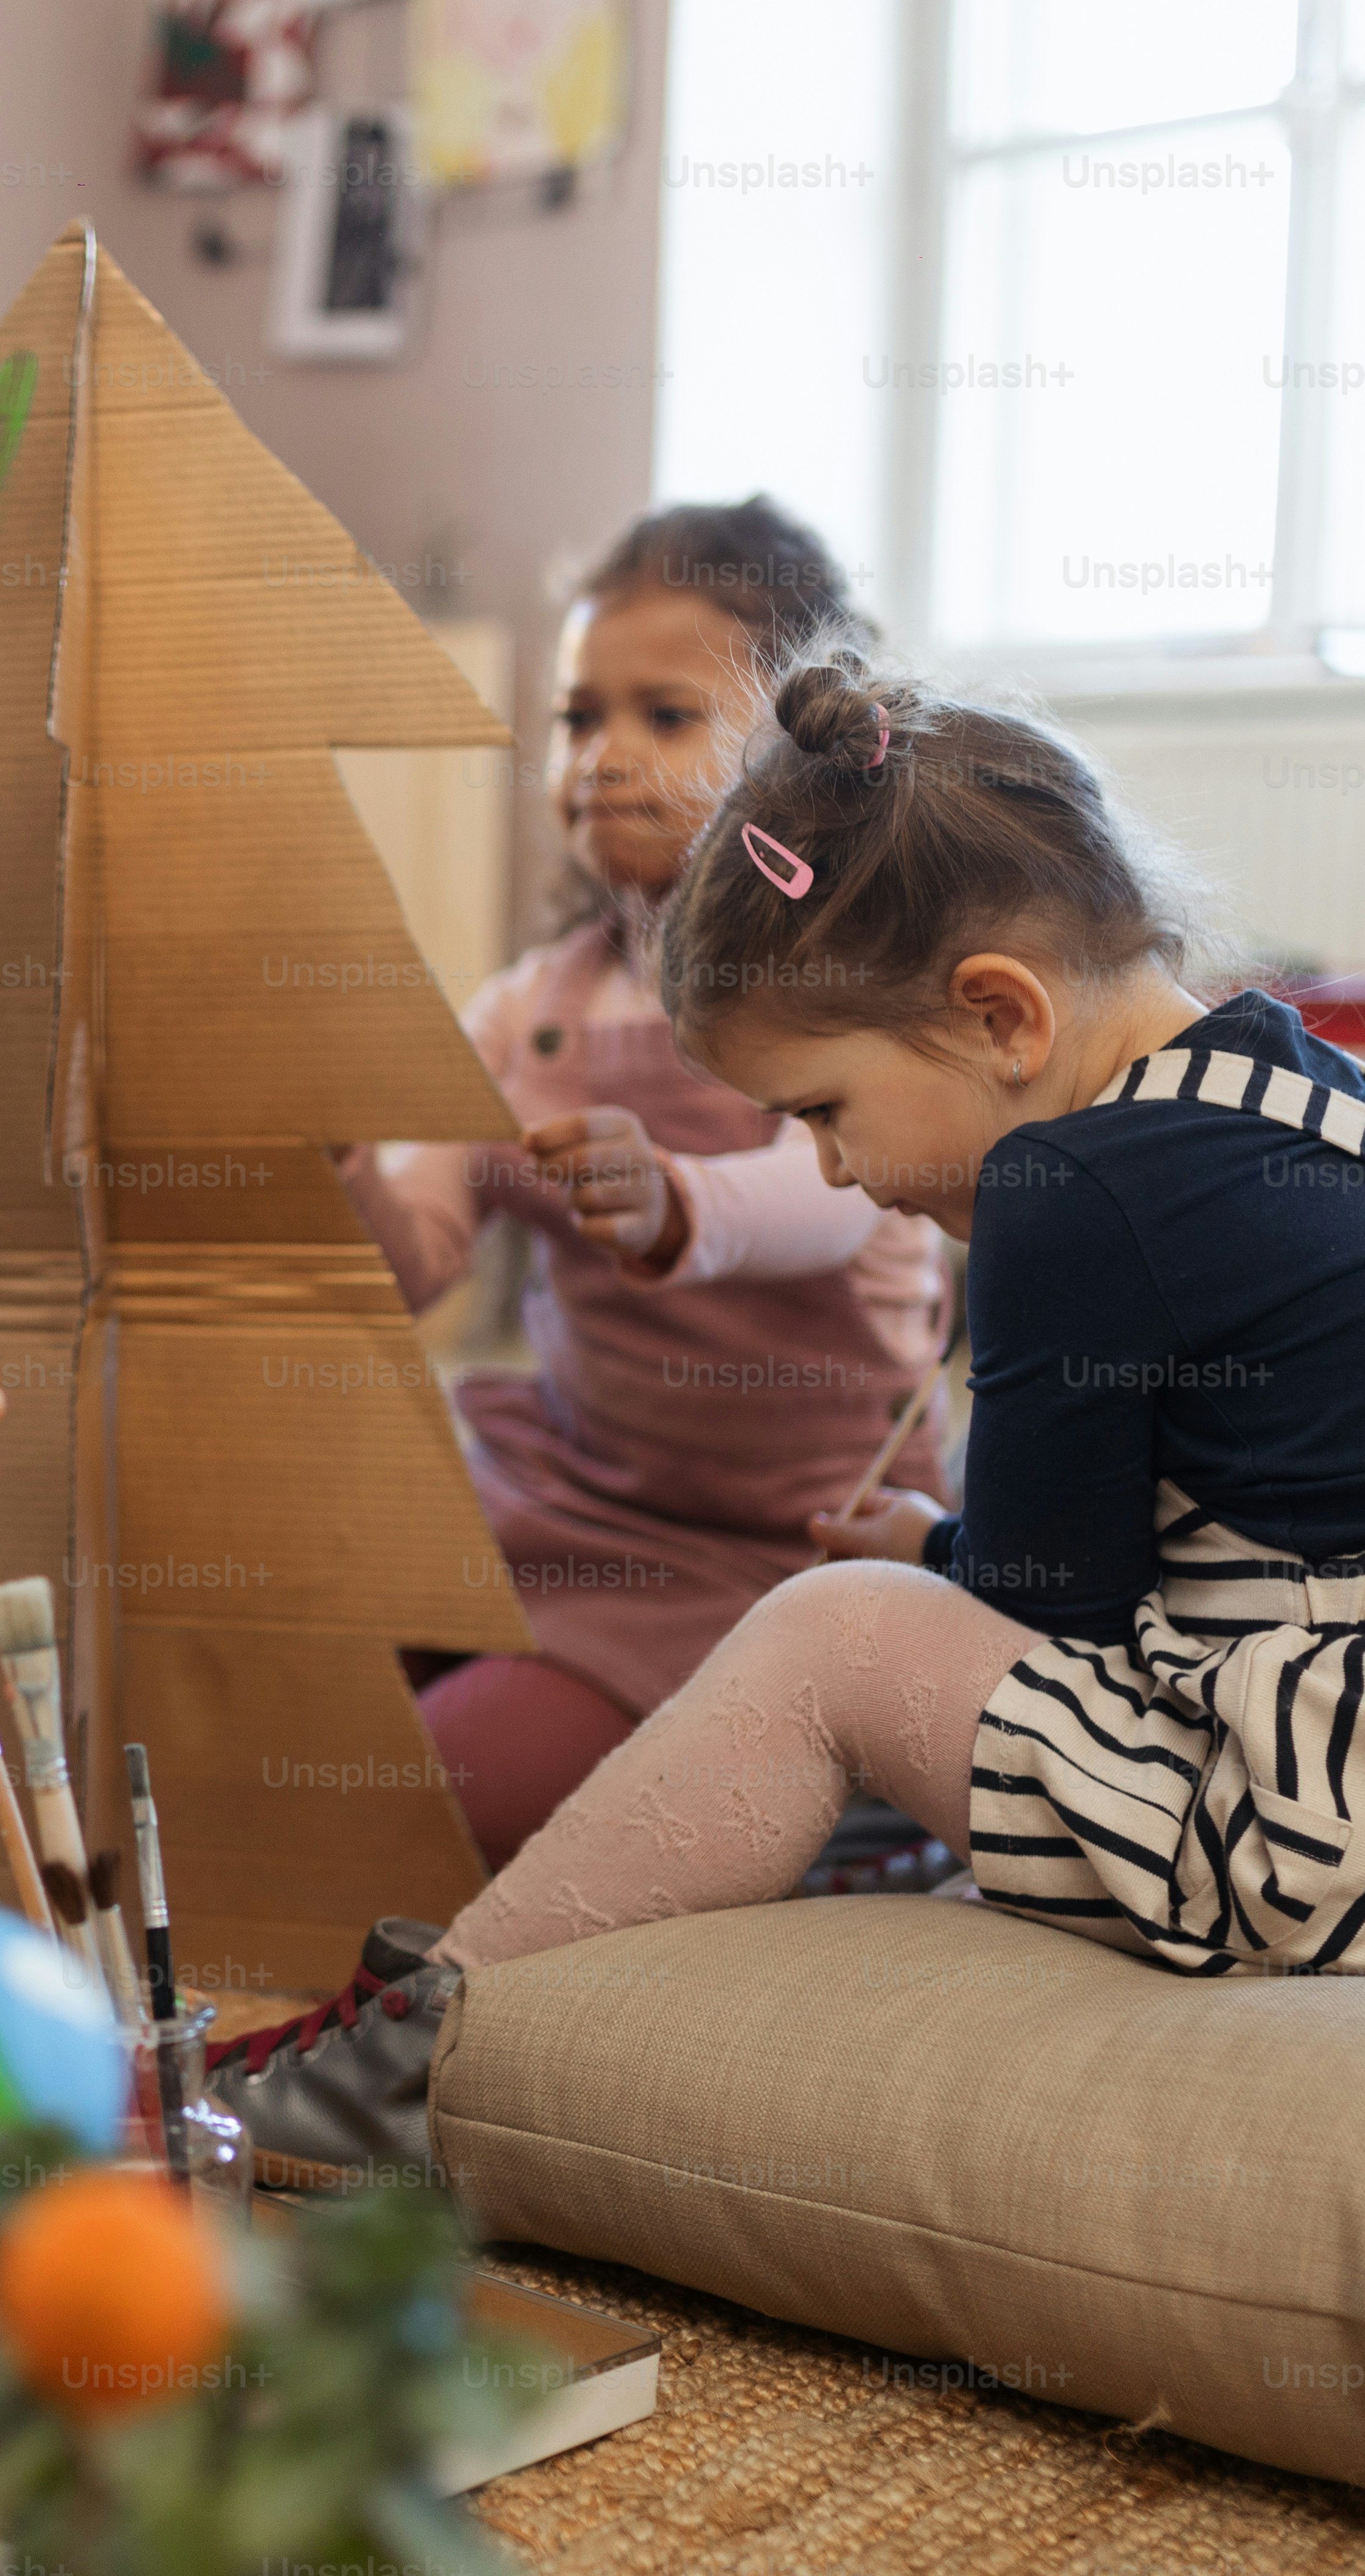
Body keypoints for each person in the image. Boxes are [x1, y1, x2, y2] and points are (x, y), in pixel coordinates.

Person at [210, 644, 1365, 2186]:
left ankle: (419, 2058)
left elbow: (1045, 1611)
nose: (828, 1169)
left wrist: (935, 1560)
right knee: (898, 1603)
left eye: (823, 1108)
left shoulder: (1064, 1190)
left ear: (1001, 1014)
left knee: (834, 1630)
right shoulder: (1306, 1087)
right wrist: (950, 1540)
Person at [336, 498, 948, 1869]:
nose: (601, 757)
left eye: (664, 717)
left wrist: (677, 1201)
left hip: (785, 1549)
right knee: (273, 1681)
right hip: (568, 1505)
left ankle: (815, 1780)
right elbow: (413, 1257)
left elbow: (837, 1194)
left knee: (430, 1797)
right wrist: (337, 1167)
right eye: (575, 718)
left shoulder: (850, 986)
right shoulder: (523, 1011)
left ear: (802, 745)